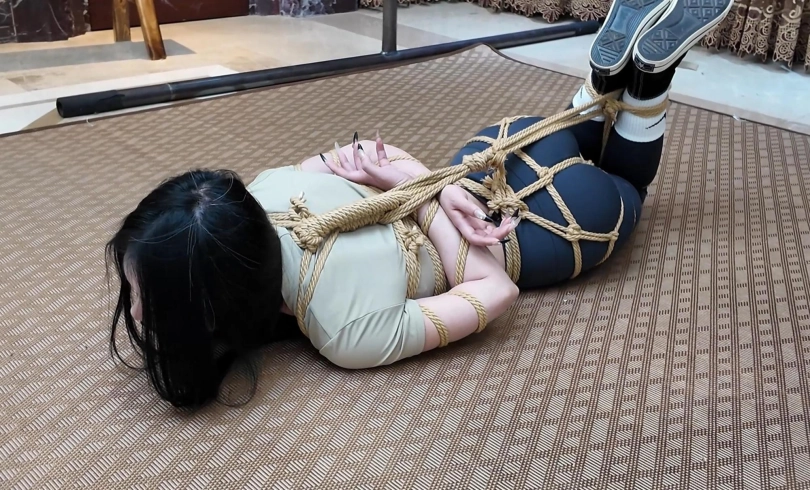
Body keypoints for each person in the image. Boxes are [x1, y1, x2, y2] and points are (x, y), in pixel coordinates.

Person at [106, 0, 732, 409]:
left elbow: (494, 290)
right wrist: (429, 187)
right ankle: (602, 86)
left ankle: (645, 90)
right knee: (567, 136)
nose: (131, 305)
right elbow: (372, 156)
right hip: (485, 157)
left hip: (525, 233)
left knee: (625, 189)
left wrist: (436, 206)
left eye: (139, 293)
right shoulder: (265, 190)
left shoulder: (342, 329)